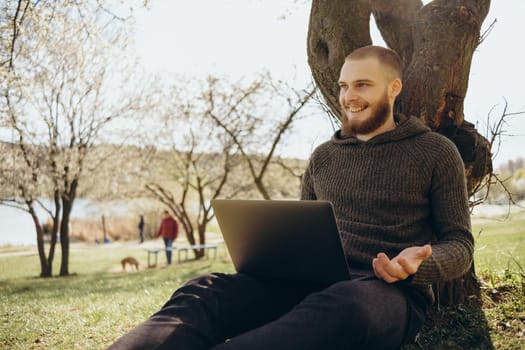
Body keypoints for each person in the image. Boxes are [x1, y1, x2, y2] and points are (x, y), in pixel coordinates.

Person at [108, 45, 473, 350]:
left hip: (383, 295)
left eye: (362, 84)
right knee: (204, 289)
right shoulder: (323, 158)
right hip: (306, 288)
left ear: (394, 88)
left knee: (345, 307)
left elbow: (460, 245)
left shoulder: (435, 152)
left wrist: (416, 265)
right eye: (344, 85)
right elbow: (305, 240)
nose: (349, 96)